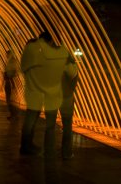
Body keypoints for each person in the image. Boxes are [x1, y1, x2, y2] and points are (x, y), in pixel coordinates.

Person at [20, 31, 76, 159]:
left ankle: (48, 152)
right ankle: (66, 153)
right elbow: (73, 73)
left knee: (50, 126)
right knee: (67, 126)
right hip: (66, 95)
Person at [4, 50, 18, 120]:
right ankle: (13, 115)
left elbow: (12, 73)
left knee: (10, 100)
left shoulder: (12, 62)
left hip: (10, 83)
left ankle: (14, 115)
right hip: (8, 82)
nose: (6, 56)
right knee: (10, 100)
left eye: (7, 54)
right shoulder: (10, 61)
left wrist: (13, 85)